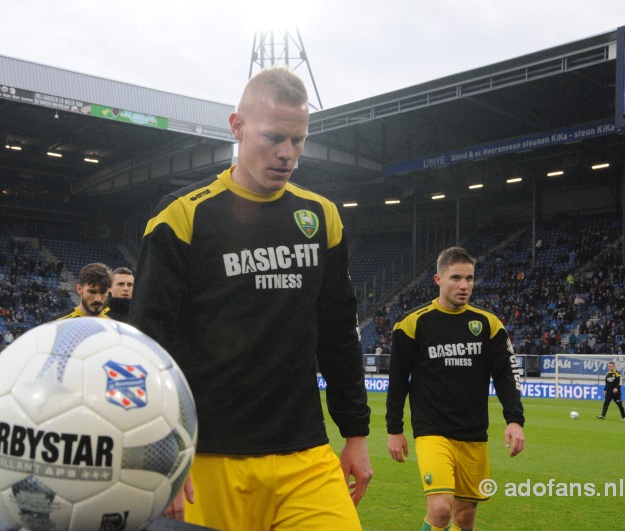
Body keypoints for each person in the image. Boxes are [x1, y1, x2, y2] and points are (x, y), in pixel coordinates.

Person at [130, 67, 372, 531]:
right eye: (273, 137)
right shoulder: (182, 217)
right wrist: (162, 452)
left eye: (298, 141)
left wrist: (355, 433)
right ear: (237, 127)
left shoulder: (321, 218)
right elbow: (147, 347)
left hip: (305, 456)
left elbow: (339, 334)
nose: (287, 154)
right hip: (207, 458)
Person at [386, 246, 525, 531]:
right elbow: (398, 380)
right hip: (432, 431)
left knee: (465, 517)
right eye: (456, 278)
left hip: (474, 433)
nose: (464, 285)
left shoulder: (489, 324)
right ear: (438, 280)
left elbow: (506, 375)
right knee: (440, 509)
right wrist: (394, 428)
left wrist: (514, 419)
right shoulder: (412, 325)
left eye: (470, 278)